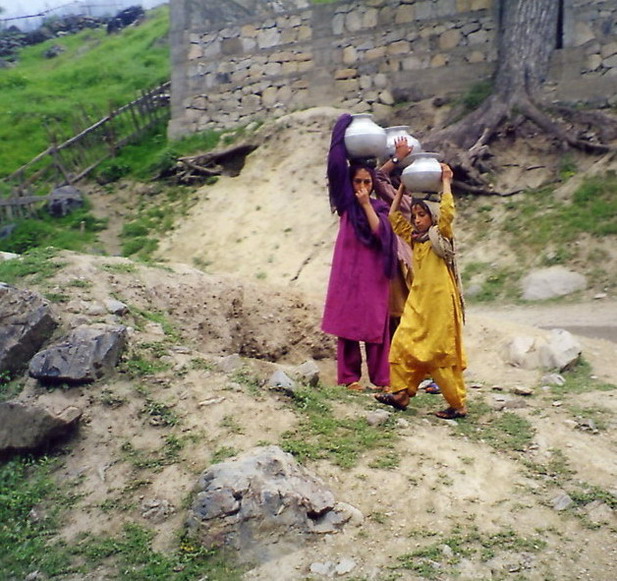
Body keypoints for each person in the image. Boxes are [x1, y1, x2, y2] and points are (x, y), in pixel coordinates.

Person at [375, 163, 467, 418]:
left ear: (432, 217)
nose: (416, 220)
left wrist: (446, 181)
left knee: (438, 353)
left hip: (439, 304)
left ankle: (457, 404)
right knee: (403, 342)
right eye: (415, 215)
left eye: (422, 215)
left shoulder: (440, 237)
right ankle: (401, 393)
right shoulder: (415, 240)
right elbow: (394, 218)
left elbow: (448, 212)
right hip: (418, 302)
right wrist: (402, 186)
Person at [321, 114, 398, 392]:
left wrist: (366, 203)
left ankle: (382, 380)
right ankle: (349, 378)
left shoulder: (377, 207)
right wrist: (343, 124)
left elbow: (381, 234)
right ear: (350, 183)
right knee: (348, 326)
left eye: (366, 182)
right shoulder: (344, 204)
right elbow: (335, 166)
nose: (362, 187)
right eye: (357, 182)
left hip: (373, 273)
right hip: (347, 274)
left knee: (376, 328)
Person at [373, 138, 442, 396]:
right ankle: (405, 374)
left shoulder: (429, 205)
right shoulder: (402, 202)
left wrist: (443, 180)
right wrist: (396, 160)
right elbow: (378, 177)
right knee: (403, 320)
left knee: (427, 321)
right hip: (404, 265)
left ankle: (430, 373)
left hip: (427, 268)